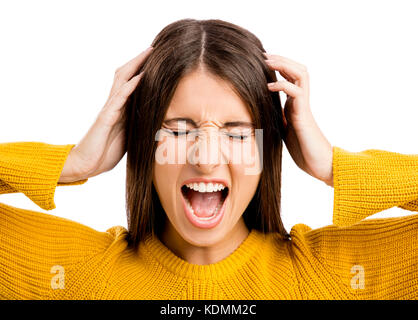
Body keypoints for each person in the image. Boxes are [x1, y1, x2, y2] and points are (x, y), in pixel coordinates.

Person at [0, 18, 416, 300]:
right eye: (179, 131)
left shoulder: (326, 278)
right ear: (144, 143)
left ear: (267, 148)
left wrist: (334, 167)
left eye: (236, 133)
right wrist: (75, 164)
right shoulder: (79, 275)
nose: (205, 157)